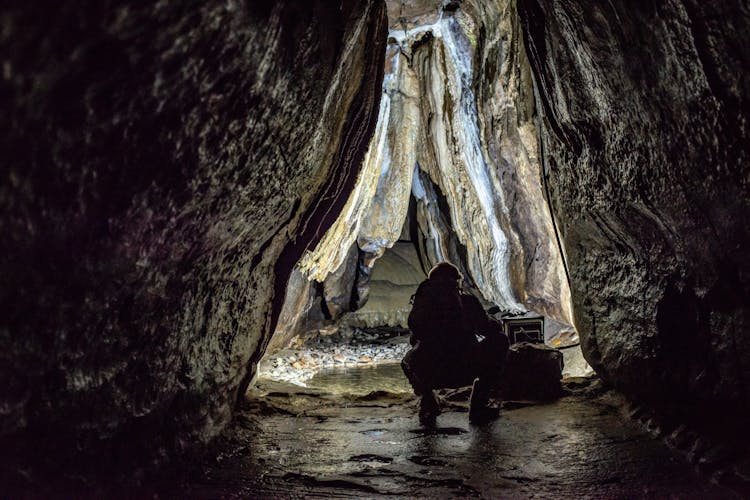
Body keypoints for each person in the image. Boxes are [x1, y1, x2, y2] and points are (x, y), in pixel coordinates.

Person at [401, 262, 509, 425]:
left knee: (408, 360)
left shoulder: (422, 306)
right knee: (501, 340)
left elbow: (414, 336)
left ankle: (428, 402)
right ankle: (479, 404)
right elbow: (490, 329)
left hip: (432, 373)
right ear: (456, 281)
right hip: (466, 368)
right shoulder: (467, 302)